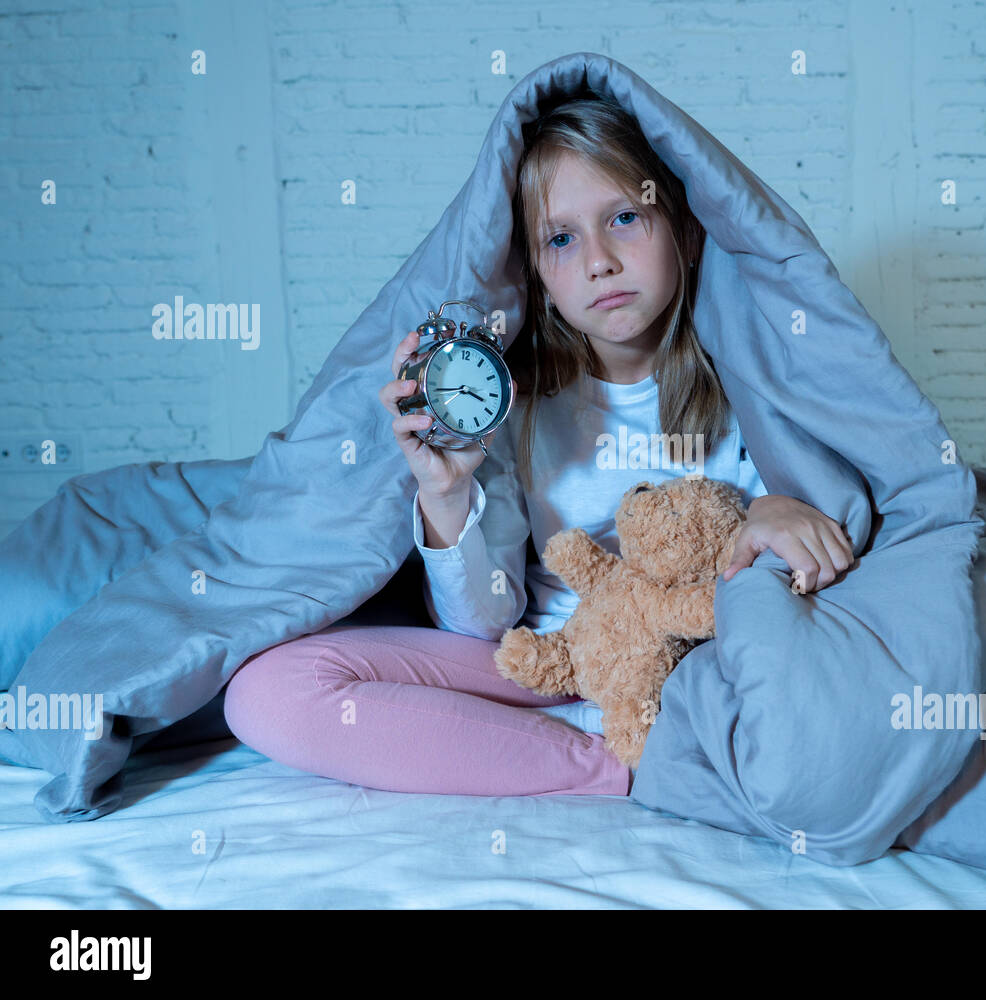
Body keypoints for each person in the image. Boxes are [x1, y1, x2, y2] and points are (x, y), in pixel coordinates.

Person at [221, 94, 853, 798]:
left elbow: (799, 564)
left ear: (687, 232)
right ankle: (609, 771)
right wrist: (447, 492)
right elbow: (482, 622)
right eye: (561, 239)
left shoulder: (749, 386)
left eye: (624, 218)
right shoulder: (512, 403)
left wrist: (772, 512)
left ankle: (657, 753)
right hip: (547, 664)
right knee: (268, 692)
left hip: (686, 679)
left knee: (825, 721)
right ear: (536, 276)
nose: (599, 262)